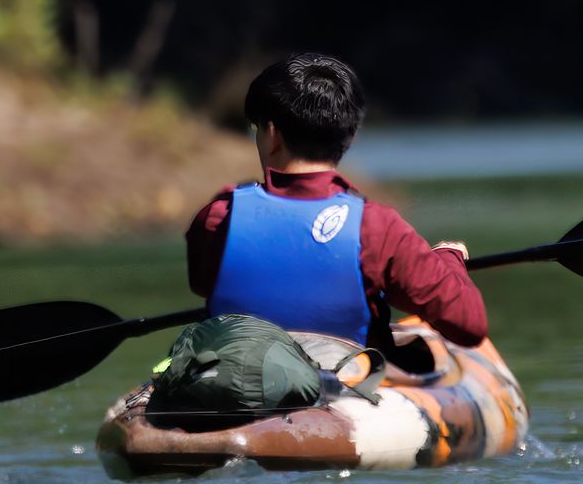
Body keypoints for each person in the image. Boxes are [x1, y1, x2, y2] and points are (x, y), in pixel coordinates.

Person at [187, 52, 486, 363]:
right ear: (350, 136)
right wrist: (448, 259)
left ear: (272, 135)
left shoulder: (218, 219)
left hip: (236, 388)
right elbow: (469, 325)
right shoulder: (377, 227)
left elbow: (202, 283)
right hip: (348, 388)